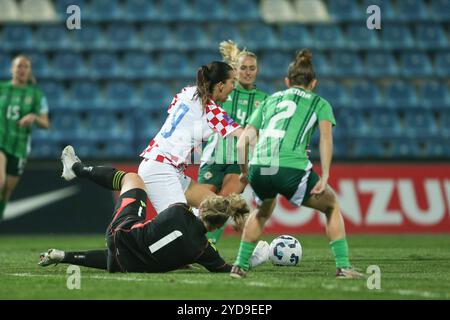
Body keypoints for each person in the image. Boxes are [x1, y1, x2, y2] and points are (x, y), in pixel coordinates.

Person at [230, 50, 363, 279]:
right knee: (331, 206)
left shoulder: (270, 100)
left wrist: (245, 172)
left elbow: (242, 143)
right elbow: (326, 139)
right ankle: (343, 267)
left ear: (287, 81)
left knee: (262, 211)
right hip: (291, 167)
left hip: (260, 166)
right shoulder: (320, 103)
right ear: (313, 83)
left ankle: (239, 266)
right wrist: (326, 175)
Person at [39, 145, 250, 273]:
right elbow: (224, 268)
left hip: (122, 232)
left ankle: (77, 168)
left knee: (133, 179)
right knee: (127, 256)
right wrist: (252, 257)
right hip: (132, 262)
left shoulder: (179, 209)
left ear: (202, 206)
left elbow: (171, 223)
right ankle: (63, 255)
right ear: (218, 226)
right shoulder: (203, 250)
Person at [138, 61, 243, 215]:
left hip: (167, 166)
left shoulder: (187, 93)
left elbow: (175, 110)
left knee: (216, 208)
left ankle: (198, 236)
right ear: (220, 85)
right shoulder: (212, 111)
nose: (233, 87)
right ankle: (132, 239)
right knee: (176, 226)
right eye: (232, 82)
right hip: (161, 168)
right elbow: (245, 136)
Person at [198, 41, 269, 244]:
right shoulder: (223, 91)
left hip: (240, 160)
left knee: (225, 202)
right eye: (243, 68)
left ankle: (208, 246)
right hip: (213, 156)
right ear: (235, 71)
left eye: (252, 68)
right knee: (203, 204)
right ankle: (190, 242)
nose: (248, 72)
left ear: (258, 70)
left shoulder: (265, 100)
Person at [0, 55, 50, 221]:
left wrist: (34, 118)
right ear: (11, 69)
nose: (22, 70)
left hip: (20, 146)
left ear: (29, 71)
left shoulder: (36, 95)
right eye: (19, 66)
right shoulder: (2, 88)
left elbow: (45, 123)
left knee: (7, 189)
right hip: (1, 141)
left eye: (25, 67)